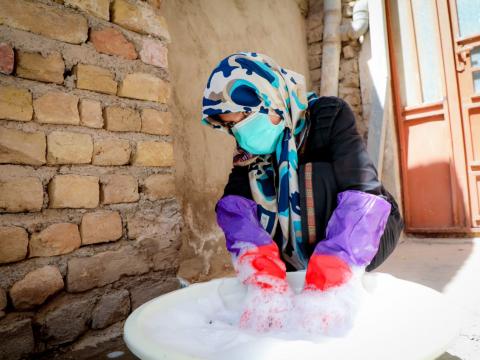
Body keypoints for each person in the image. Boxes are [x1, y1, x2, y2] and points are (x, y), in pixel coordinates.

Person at [201, 52, 404, 333]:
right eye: (227, 127)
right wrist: (264, 278)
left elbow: (361, 191)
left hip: (371, 226)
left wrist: (330, 278)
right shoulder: (249, 154)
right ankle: (305, 268)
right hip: (303, 251)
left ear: (268, 102)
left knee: (312, 178)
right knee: (247, 195)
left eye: (239, 122)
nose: (236, 135)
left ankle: (332, 268)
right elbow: (234, 209)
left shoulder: (328, 115)